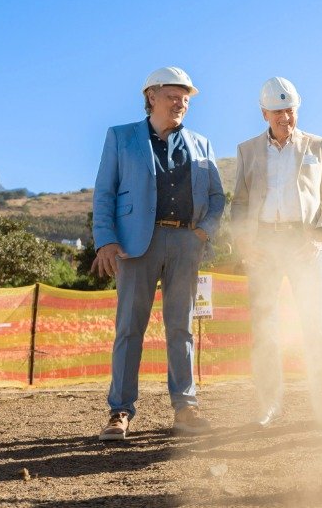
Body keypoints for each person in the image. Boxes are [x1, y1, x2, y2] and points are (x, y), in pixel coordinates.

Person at [92, 66, 225, 441]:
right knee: (129, 328)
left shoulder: (201, 144)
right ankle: (120, 411)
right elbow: (104, 191)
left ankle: (186, 408)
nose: (180, 103)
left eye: (185, 98)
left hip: (186, 242)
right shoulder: (121, 137)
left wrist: (203, 232)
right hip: (136, 244)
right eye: (173, 96)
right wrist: (106, 240)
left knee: (181, 328)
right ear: (151, 96)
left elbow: (217, 197)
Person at [231, 77, 322, 432]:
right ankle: (268, 406)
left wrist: (320, 234)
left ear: (297, 109)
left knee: (315, 325)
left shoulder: (316, 145)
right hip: (263, 244)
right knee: (264, 326)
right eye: (277, 112)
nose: (285, 118)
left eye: (290, 110)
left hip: (304, 242)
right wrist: (245, 244)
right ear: (264, 113)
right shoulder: (247, 150)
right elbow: (239, 203)